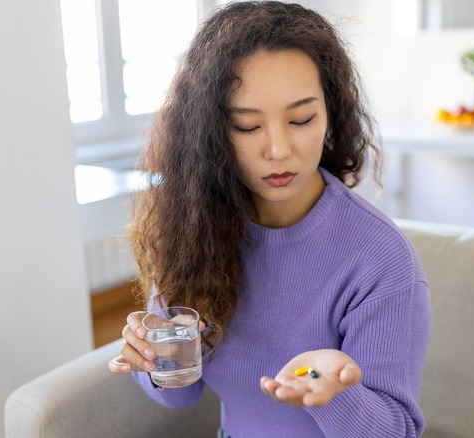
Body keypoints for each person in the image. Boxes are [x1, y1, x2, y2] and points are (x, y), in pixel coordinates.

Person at [107, 2, 430, 437]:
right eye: (246, 126)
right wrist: (153, 358)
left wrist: (336, 396)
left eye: (301, 119)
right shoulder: (195, 226)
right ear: (211, 132)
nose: (278, 149)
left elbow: (398, 430)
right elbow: (180, 394)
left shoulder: (380, 260)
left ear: (330, 113)